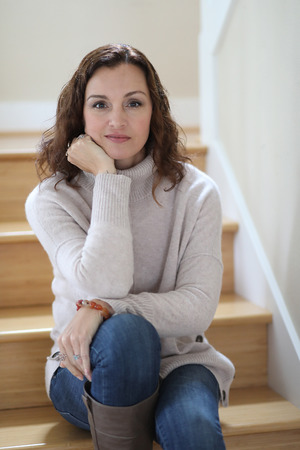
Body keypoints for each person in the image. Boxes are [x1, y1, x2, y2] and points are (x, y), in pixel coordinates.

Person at [25, 43, 235, 450]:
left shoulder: (196, 193)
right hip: (84, 365)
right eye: (100, 104)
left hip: (180, 362)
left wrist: (105, 308)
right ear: (80, 114)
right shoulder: (51, 198)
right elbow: (106, 279)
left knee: (191, 426)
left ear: (154, 110)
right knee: (127, 336)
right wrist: (107, 177)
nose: (117, 120)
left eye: (134, 103)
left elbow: (198, 306)